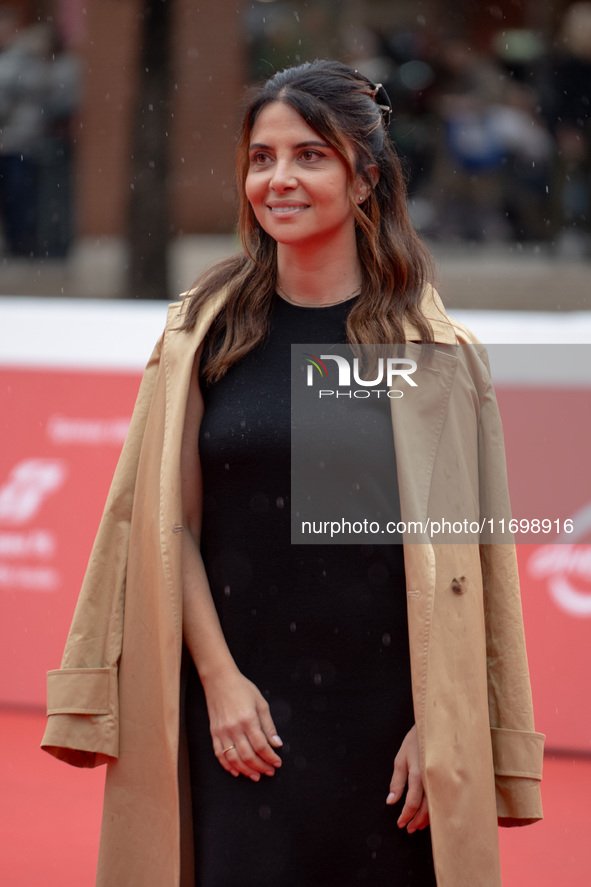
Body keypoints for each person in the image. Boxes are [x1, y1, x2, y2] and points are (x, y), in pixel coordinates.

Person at [42, 60, 544, 887]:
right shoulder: (202, 336)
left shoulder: (424, 351)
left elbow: (461, 564)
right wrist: (221, 682)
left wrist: (442, 724)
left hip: (391, 737)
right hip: (238, 723)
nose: (278, 179)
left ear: (364, 179)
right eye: (261, 157)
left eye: (309, 156)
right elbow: (167, 529)